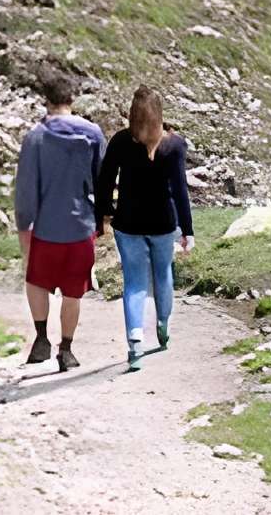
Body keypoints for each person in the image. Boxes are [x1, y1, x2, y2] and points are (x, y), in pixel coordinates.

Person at [94, 85, 194, 373]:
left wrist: (103, 215)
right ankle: (163, 325)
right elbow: (180, 190)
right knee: (163, 274)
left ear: (132, 116)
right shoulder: (175, 146)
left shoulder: (121, 141)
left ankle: (135, 342)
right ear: (159, 115)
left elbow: (105, 181)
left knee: (134, 282)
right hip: (163, 224)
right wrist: (187, 230)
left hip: (128, 224)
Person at [12, 74, 104, 371]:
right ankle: (66, 349)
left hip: (46, 227)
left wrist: (23, 226)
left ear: (46, 100)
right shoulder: (93, 133)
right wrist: (101, 221)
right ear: (73, 99)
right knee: (73, 291)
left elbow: (26, 188)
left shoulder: (36, 136)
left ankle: (41, 339)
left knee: (36, 280)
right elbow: (102, 181)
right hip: (81, 226)